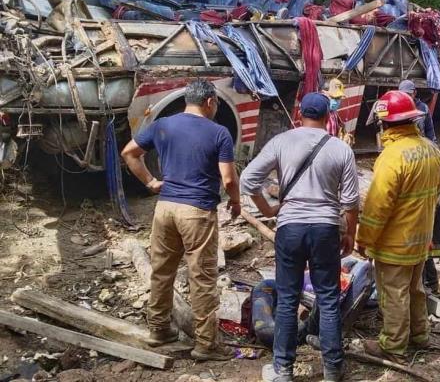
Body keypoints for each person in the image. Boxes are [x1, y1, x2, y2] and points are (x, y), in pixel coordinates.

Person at [240, 92, 360, 382]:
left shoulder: (282, 141)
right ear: (328, 118)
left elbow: (248, 180)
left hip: (290, 228)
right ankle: (332, 369)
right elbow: (351, 202)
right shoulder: (340, 149)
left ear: (299, 115)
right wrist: (350, 235)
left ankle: (283, 371)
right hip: (325, 229)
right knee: (328, 299)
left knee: (288, 297)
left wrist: (268, 208)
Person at [120, 79, 240, 361]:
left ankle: (159, 329)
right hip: (197, 211)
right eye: (216, 104)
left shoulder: (163, 125)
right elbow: (228, 178)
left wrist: (150, 181)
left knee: (162, 271)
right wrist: (235, 201)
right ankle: (206, 344)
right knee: (202, 277)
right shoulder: (219, 133)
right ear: (209, 102)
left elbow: (129, 153)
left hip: (165, 209)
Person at [356, 90, 440, 363]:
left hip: (395, 241)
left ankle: (393, 346)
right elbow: (438, 195)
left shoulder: (393, 156)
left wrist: (364, 238)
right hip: (420, 239)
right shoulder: (431, 149)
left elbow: (377, 206)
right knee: (416, 289)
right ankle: (420, 336)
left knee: (394, 294)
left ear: (385, 123)